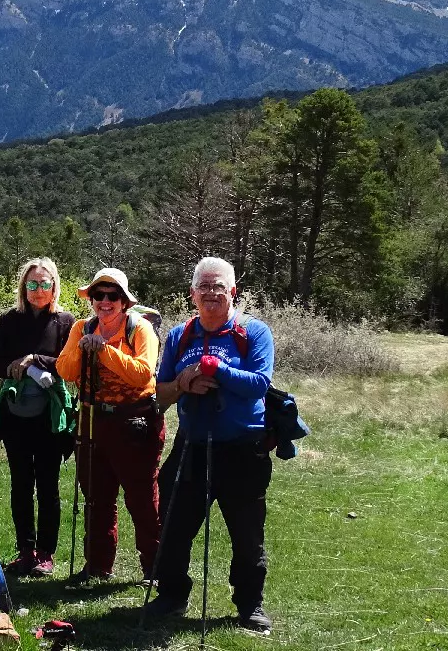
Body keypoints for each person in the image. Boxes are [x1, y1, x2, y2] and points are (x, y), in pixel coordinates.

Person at [144, 257, 276, 633]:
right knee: (173, 525)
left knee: (246, 533)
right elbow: (159, 395)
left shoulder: (253, 332)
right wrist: (184, 382)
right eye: (204, 286)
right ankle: (172, 595)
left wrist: (217, 370)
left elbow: (259, 383)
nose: (211, 293)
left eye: (218, 286)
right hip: (193, 445)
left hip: (243, 448)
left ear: (233, 291)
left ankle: (250, 605)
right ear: (192, 294)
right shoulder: (179, 336)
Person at [54, 267, 162, 583]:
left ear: (124, 301)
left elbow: (143, 374)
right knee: (96, 497)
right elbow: (65, 370)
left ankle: (155, 568)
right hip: (92, 420)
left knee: (142, 498)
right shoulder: (81, 328)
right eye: (98, 295)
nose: (104, 301)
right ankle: (98, 566)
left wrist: (104, 351)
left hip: (136, 422)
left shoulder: (140, 329)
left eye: (112, 295)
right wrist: (83, 347)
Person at [0, 258, 78, 578]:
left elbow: (69, 364)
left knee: (48, 485)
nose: (38, 290)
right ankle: (25, 550)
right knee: (21, 484)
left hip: (50, 416)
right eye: (32, 284)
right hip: (16, 414)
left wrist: (34, 359)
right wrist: (12, 366)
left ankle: (46, 554)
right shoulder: (10, 320)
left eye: (44, 284)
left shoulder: (65, 322)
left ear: (54, 286)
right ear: (24, 287)